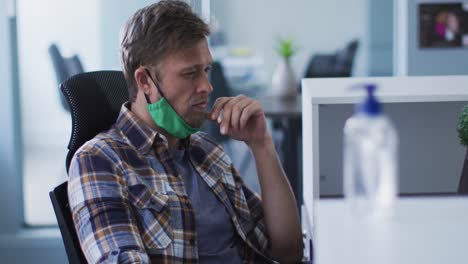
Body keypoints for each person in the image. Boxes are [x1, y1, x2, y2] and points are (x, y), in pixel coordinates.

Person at [67, 1, 303, 263]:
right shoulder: (100, 161)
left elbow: (289, 251)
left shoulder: (206, 150)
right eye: (190, 74)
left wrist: (262, 145)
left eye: (207, 70)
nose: (207, 87)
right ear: (145, 81)